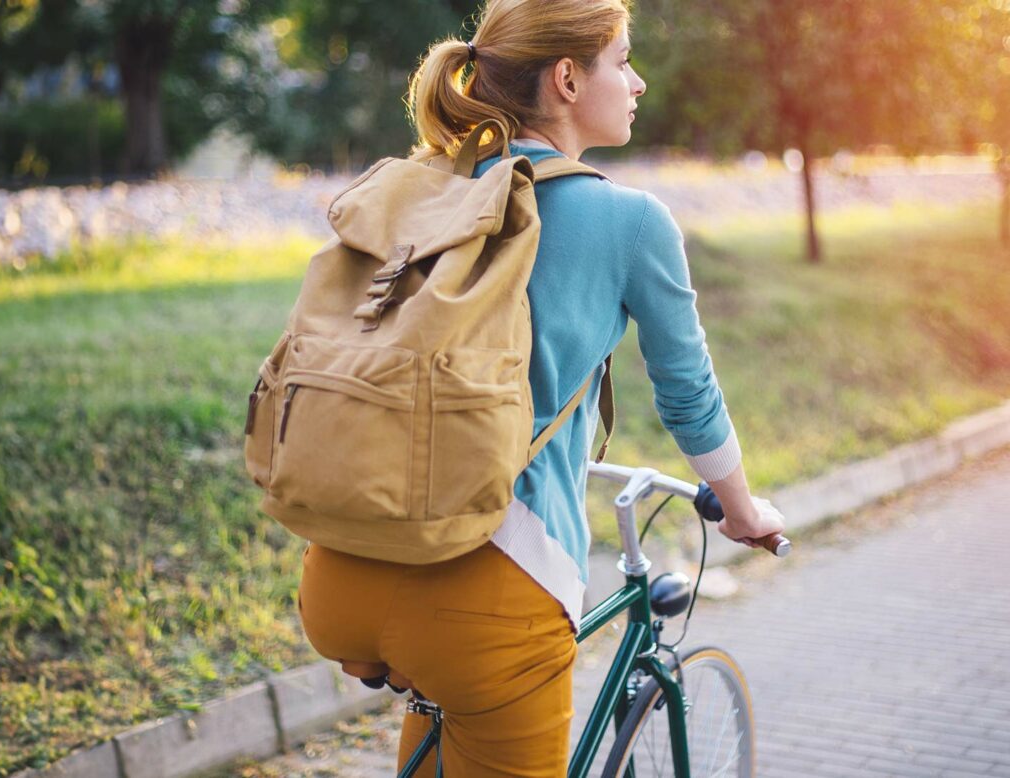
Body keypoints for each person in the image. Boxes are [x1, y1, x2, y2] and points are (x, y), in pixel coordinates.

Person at [297, 0, 786, 775]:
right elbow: (688, 396)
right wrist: (742, 509)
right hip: (488, 592)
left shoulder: (429, 191)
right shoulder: (630, 221)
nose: (640, 81)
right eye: (622, 60)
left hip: (342, 568)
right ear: (566, 78)